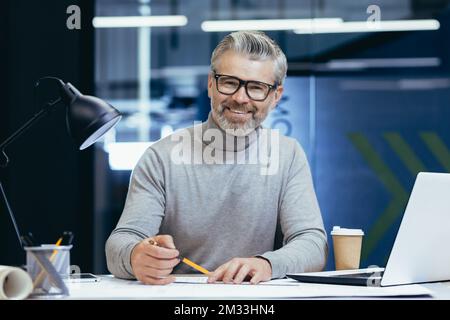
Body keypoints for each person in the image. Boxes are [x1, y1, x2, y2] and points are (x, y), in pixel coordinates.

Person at [106, 30, 327, 285]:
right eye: (230, 82)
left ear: (275, 97)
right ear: (211, 84)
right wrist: (135, 256)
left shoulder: (288, 155)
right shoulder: (161, 157)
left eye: (256, 87)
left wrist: (266, 264)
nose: (240, 98)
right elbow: (120, 242)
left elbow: (312, 244)